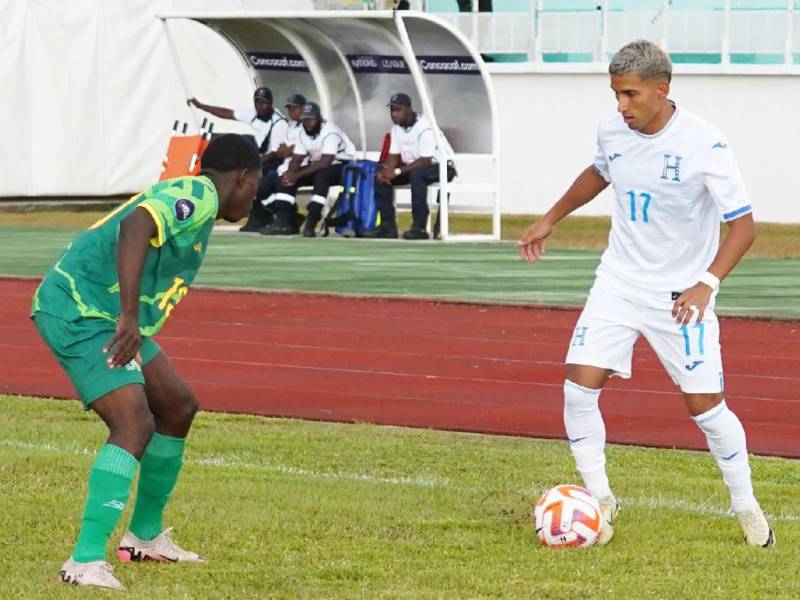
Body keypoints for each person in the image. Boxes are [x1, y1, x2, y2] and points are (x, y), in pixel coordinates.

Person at [518, 39, 774, 548]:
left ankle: (745, 505)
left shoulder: (706, 143)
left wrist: (706, 283)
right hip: (618, 280)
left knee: (706, 407)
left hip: (682, 294)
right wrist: (550, 218)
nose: (621, 106)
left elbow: (743, 227)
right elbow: (599, 172)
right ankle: (600, 498)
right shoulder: (613, 129)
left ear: (662, 89)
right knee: (578, 385)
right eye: (616, 94)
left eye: (631, 95)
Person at [31, 134, 262, 590]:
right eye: (256, 184)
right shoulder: (198, 195)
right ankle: (83, 561)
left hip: (102, 314)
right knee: (133, 423)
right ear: (242, 177)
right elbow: (138, 223)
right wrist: (131, 315)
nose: (254, 195)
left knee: (176, 406)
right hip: (80, 310)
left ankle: (145, 538)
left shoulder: (200, 201)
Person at [188, 87, 288, 231]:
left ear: (271, 103)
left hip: (274, 162)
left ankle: (264, 216)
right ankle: (256, 218)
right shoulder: (253, 115)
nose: (261, 106)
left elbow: (275, 153)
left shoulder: (279, 123)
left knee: (255, 180)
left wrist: (253, 163)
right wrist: (201, 106)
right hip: (258, 160)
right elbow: (227, 113)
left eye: (264, 103)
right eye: (258, 102)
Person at [369, 93, 455, 240]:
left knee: (417, 174)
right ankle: (388, 226)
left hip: (442, 166)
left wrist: (396, 171)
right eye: (392, 110)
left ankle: (419, 227)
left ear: (409, 109)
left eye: (398, 110)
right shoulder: (396, 128)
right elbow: (393, 157)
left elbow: (425, 161)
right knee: (379, 176)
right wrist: (386, 171)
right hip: (416, 167)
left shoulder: (424, 126)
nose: (394, 114)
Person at [268, 101, 356, 237]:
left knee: (322, 175)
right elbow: (297, 159)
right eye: (305, 120)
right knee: (286, 177)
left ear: (318, 118)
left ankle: (312, 220)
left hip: (344, 165)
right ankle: (284, 222)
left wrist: (296, 175)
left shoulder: (330, 132)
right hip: (320, 165)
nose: (307, 123)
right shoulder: (303, 132)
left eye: (311, 119)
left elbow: (325, 162)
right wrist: (290, 174)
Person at [257, 93, 308, 234]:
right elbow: (281, 151)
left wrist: (289, 150)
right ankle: (290, 217)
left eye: (295, 108)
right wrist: (287, 150)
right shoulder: (291, 127)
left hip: (303, 166)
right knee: (262, 188)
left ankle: (283, 223)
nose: (292, 112)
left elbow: (303, 146)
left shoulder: (310, 124)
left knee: (284, 180)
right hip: (285, 166)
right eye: (290, 109)